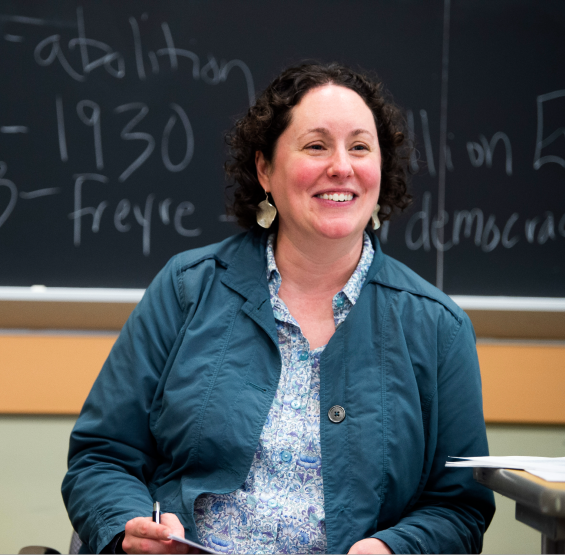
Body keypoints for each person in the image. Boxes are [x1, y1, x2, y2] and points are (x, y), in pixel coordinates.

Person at [62, 62, 494, 555]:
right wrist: (126, 531)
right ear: (265, 169)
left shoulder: (439, 327)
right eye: (316, 146)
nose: (342, 166)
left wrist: (394, 549)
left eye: (359, 147)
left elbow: (460, 508)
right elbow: (102, 457)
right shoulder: (188, 288)